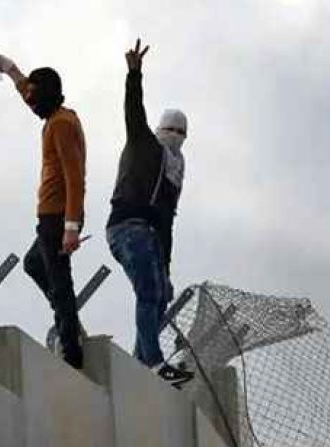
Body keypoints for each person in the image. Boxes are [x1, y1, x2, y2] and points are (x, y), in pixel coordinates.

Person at [0, 44, 88, 369]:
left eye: (34, 96)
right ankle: (68, 322)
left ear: (45, 95)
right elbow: (28, 92)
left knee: (60, 283)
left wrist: (71, 227)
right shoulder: (59, 116)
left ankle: (71, 352)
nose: (29, 102)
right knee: (35, 264)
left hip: (58, 216)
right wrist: (9, 68)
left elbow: (74, 177)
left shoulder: (60, 124)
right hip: (53, 216)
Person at [105, 39, 192, 385]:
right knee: (148, 292)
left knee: (160, 296)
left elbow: (168, 222)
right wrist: (134, 74)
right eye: (172, 130)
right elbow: (133, 111)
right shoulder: (144, 142)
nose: (176, 137)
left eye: (182, 133)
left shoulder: (176, 169)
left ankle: (140, 363)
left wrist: (168, 268)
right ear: (160, 128)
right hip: (127, 226)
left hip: (152, 234)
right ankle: (153, 363)